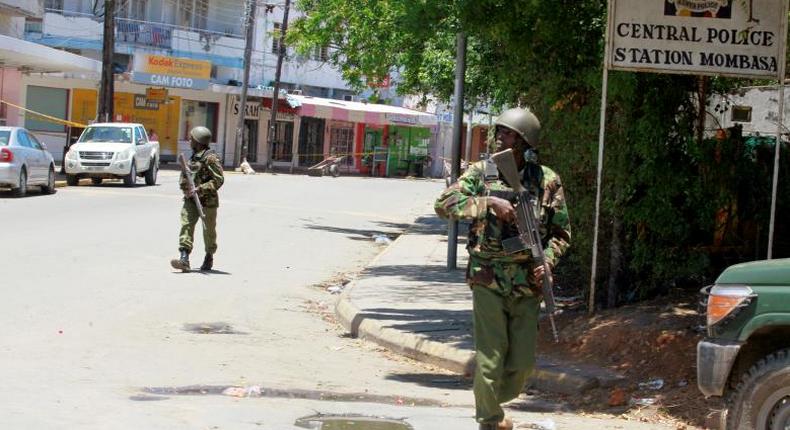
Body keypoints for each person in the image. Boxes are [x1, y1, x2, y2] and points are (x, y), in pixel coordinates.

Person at [434, 107, 571, 430]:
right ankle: (489, 420)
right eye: (499, 132)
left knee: (522, 365)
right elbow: (444, 204)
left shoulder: (546, 180)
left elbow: (562, 233)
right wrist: (487, 203)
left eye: (507, 134)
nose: (499, 138)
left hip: (527, 281)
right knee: (490, 360)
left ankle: (492, 401)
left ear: (524, 142)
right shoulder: (482, 173)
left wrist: (547, 262)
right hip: (488, 277)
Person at [170, 126, 224, 272]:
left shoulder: (210, 158)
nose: (189, 141)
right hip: (191, 200)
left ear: (198, 141)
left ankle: (209, 256)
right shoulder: (193, 156)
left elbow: (218, 180)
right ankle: (184, 258)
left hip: (208, 202)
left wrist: (200, 189)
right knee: (186, 225)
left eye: (191, 138)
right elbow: (186, 176)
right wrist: (186, 190)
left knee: (209, 231)